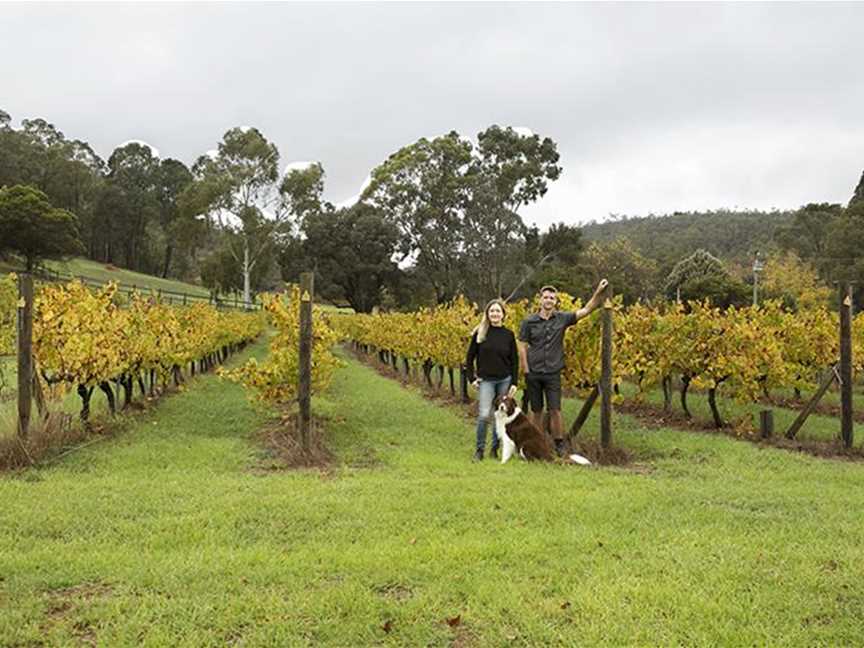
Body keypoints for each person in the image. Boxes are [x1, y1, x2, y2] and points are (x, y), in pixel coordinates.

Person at [517, 280, 609, 457]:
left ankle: (559, 444)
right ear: (540, 300)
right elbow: (521, 345)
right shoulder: (529, 322)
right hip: (533, 372)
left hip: (553, 372)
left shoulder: (562, 318)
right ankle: (536, 443)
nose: (549, 300)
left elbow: (587, 309)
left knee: (555, 409)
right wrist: (525, 369)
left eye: (552, 297)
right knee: (536, 411)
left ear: (556, 301)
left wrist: (598, 291)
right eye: (546, 297)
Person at [465, 298, 519, 461]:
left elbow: (514, 360)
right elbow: (469, 357)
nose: (495, 314)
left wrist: (514, 382)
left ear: (503, 314)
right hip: (486, 381)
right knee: (483, 415)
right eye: (492, 311)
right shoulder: (480, 333)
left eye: (498, 311)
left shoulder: (508, 335)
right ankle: (479, 450)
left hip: (504, 379)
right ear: (487, 314)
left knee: (500, 415)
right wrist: (471, 378)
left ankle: (495, 449)